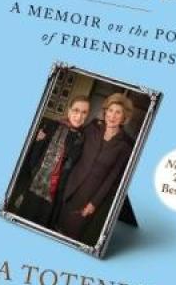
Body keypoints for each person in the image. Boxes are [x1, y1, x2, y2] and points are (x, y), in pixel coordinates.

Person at [56, 93, 136, 245]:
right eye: (110, 110)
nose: (112, 116)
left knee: (71, 237)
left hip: (88, 198)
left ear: (124, 117)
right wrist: (49, 132)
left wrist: (94, 203)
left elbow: (112, 179)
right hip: (69, 187)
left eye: (118, 112)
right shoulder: (93, 127)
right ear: (105, 111)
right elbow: (73, 131)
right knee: (54, 227)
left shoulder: (125, 146)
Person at [8, 96, 89, 229]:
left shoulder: (82, 138)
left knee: (42, 226)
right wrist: (34, 174)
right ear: (69, 111)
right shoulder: (52, 126)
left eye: (84, 112)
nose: (79, 116)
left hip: (55, 194)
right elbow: (34, 153)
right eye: (76, 110)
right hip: (35, 184)